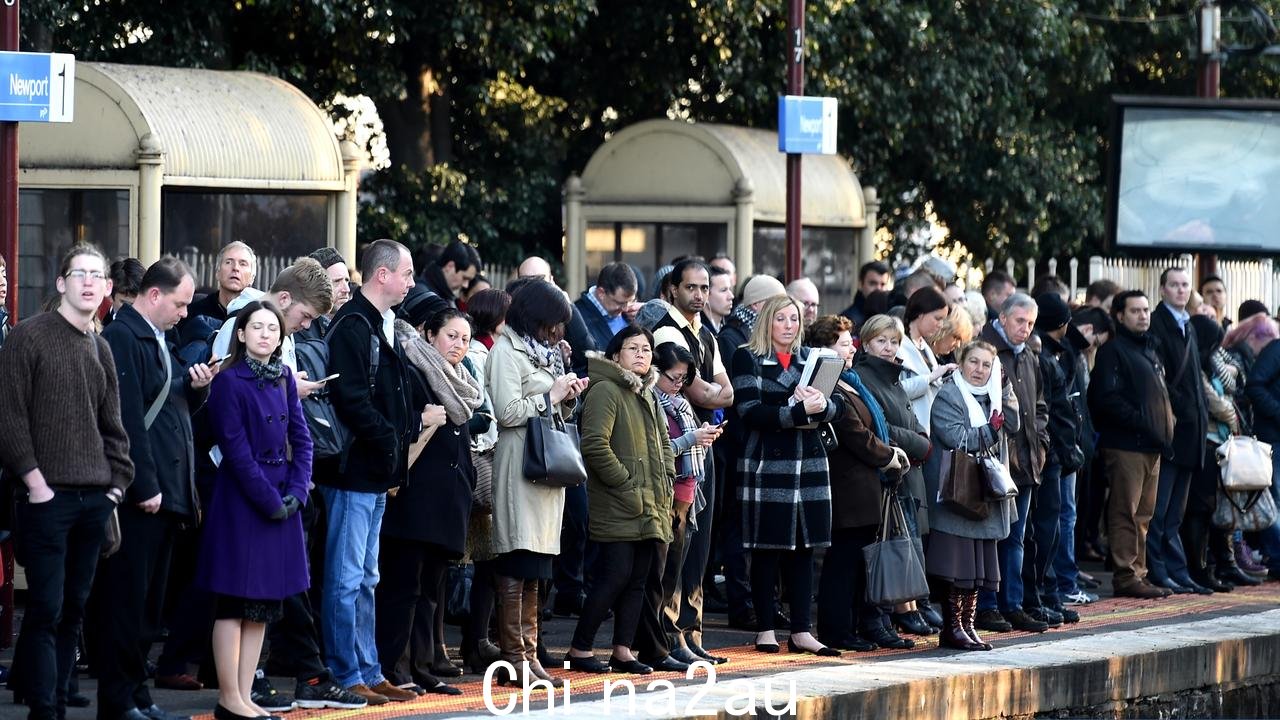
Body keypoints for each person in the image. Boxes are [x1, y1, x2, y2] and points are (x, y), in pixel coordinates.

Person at [0, 244, 134, 720]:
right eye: (80, 273)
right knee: (44, 609)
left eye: (98, 275)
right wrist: (36, 483)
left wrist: (115, 488)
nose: (89, 282)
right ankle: (43, 710)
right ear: (61, 283)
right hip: (44, 497)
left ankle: (57, 701)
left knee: (74, 611)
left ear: (107, 287)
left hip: (94, 498)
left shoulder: (100, 346)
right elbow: (11, 419)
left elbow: (113, 428)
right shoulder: (27, 337)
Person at [90, 257, 216, 720]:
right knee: (127, 603)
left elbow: (166, 407)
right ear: (155, 295)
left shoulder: (155, 337)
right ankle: (119, 699)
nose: (186, 313)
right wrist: (144, 483)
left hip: (165, 492)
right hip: (146, 494)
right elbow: (125, 419)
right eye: (181, 304)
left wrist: (196, 388)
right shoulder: (125, 336)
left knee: (146, 607)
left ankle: (136, 695)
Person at [198, 301, 313, 720]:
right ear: (241, 334)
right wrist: (270, 500)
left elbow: (302, 439)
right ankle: (229, 697)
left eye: (272, 329)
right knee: (233, 602)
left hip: (283, 498)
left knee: (263, 603)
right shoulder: (228, 381)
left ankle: (245, 697)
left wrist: (298, 491)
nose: (266, 334)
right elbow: (236, 450)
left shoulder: (284, 376)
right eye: (257, 327)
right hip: (242, 502)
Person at [316, 239, 419, 705]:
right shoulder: (353, 325)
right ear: (383, 275)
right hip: (354, 470)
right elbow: (351, 399)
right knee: (345, 576)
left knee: (366, 577)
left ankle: (369, 669)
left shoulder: (377, 322)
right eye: (407, 273)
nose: (412, 282)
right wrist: (389, 440)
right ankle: (346, 672)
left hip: (374, 471)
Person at [565, 326, 686, 674]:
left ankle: (622, 650)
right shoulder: (606, 389)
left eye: (646, 349)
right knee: (613, 577)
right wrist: (628, 484)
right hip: (619, 501)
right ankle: (580, 647)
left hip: (651, 501)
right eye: (632, 348)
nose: (640, 355)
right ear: (616, 354)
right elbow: (594, 446)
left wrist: (665, 478)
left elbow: (663, 442)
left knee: (639, 579)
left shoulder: (646, 392)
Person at [488, 279, 588, 687]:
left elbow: (550, 405)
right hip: (519, 468)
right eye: (552, 323)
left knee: (537, 568)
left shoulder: (543, 352)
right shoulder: (506, 352)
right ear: (535, 317)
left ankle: (530, 657)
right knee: (517, 561)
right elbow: (506, 410)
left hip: (545, 471)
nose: (557, 332)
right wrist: (552, 393)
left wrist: (567, 395)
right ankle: (516, 659)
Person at [377, 308, 481, 696]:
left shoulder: (461, 381)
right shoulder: (414, 371)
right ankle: (394, 666)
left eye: (465, 339)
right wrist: (424, 422)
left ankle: (422, 666)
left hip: (449, 499)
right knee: (403, 587)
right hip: (415, 497)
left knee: (431, 592)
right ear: (430, 334)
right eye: (451, 336)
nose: (458, 345)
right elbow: (401, 428)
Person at [732, 294, 843, 657]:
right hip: (768, 464)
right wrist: (794, 411)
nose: (789, 325)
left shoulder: (812, 359)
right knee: (767, 549)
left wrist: (823, 406)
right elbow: (748, 410)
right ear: (767, 321)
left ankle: (801, 630)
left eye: (794, 319)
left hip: (808, 463)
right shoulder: (747, 356)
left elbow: (836, 404)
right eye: (781, 319)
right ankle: (765, 627)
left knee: (805, 549)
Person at [649, 259, 734, 663]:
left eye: (705, 288)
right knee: (678, 542)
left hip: (704, 442)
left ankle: (692, 631)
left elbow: (726, 392)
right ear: (672, 289)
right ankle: (671, 634)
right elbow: (699, 393)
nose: (699, 295)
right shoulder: (667, 328)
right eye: (692, 287)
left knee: (700, 543)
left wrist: (712, 394)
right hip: (679, 445)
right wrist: (711, 394)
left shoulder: (707, 332)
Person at [810, 315, 906, 651]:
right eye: (842, 342)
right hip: (846, 485)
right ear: (825, 350)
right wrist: (888, 455)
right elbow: (853, 432)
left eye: (850, 340)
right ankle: (837, 630)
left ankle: (853, 627)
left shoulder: (850, 380)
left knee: (855, 565)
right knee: (842, 564)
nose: (851, 346)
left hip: (863, 485)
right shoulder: (829, 383)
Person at [928, 340, 1021, 651]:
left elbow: (1016, 424)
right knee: (958, 566)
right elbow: (957, 438)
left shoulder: (993, 394)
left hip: (985, 494)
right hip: (959, 494)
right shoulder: (949, 394)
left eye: (986, 365)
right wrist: (991, 430)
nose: (979, 370)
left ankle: (967, 625)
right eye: (974, 362)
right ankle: (952, 627)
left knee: (979, 567)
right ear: (961, 361)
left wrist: (1005, 390)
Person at [851, 315, 934, 642]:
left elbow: (910, 418)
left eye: (894, 342)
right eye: (881, 341)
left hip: (905, 469)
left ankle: (896, 613)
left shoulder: (894, 377)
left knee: (904, 544)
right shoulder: (865, 375)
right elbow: (880, 424)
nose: (888, 348)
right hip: (885, 472)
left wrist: (921, 438)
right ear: (867, 343)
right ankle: (880, 616)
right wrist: (920, 444)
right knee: (885, 547)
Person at [1088, 290, 1175, 599]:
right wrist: (1144, 423)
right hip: (1126, 446)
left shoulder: (1150, 349)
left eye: (1146, 310)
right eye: (1135, 310)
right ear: (1120, 315)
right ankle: (1126, 575)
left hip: (1152, 446)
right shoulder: (1113, 351)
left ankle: (1139, 572)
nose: (1143, 315)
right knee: (1125, 512)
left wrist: (1166, 426)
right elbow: (1106, 399)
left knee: (1144, 515)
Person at [714, 273, 787, 630]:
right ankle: (743, 605)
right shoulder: (733, 339)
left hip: (750, 447)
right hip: (738, 447)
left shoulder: (746, 337)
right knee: (737, 531)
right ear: (759, 306)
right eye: (777, 309)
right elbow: (742, 400)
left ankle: (762, 604)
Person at [975, 293, 1051, 634]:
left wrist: (1042, 444)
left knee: (1017, 538)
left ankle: (1013, 603)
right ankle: (988, 605)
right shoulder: (986, 352)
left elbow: (1039, 407)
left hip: (1027, 461)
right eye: (1020, 321)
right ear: (1003, 317)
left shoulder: (1029, 356)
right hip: (996, 458)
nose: (1025, 328)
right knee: (994, 535)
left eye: (1031, 323)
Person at [647, 342, 723, 666]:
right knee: (664, 576)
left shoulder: (680, 402)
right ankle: (667, 638)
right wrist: (692, 439)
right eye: (673, 378)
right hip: (667, 494)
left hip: (687, 494)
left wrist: (703, 435)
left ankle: (681, 634)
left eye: (683, 379)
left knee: (679, 571)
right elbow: (660, 450)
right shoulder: (652, 401)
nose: (678, 385)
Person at [1146, 267, 1209, 594]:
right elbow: (1163, 381)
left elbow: (1196, 378)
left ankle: (1178, 571)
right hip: (1171, 430)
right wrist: (1183, 409)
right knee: (1160, 510)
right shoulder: (1158, 323)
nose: (1181, 290)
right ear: (1162, 289)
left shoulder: (1189, 324)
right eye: (1174, 285)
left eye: (1185, 285)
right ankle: (1159, 571)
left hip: (1192, 432)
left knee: (1175, 513)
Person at [460, 289, 510, 674]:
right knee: (475, 560)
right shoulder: (479, 353)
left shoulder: (492, 350)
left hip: (489, 457)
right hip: (480, 461)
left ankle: (478, 639)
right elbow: (484, 413)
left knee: (489, 560)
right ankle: (473, 639)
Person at [1028, 293, 1085, 624]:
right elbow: (1053, 410)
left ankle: (1047, 593)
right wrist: (1065, 449)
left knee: (1053, 526)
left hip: (1055, 452)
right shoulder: (1044, 357)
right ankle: (1043, 593)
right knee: (1046, 527)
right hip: (1049, 454)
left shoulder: (1053, 354)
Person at [1184, 315, 1240, 593]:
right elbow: (1218, 404)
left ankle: (1213, 566)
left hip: (1217, 442)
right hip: (1204, 441)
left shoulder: (1210, 364)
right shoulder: (1197, 367)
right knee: (1199, 509)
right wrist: (1232, 416)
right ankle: (1198, 568)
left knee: (1210, 510)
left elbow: (1229, 391)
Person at [568, 262, 638, 361]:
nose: (626, 308)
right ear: (601, 293)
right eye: (620, 303)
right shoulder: (577, 317)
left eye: (630, 301)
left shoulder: (632, 314)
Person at [182, 241, 257, 331]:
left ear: (252, 278)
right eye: (228, 262)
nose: (235, 268)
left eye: (243, 264)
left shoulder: (258, 316)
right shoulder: (194, 312)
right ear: (217, 272)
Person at [298, 247, 352, 340]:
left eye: (347, 281)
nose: (346, 289)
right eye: (337, 281)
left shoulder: (354, 326)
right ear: (315, 285)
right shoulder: (299, 327)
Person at [419, 240, 480, 306]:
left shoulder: (442, 295)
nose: (466, 285)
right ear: (450, 266)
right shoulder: (424, 296)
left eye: (469, 280)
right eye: (464, 278)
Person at [841, 262, 893, 327]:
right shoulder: (848, 320)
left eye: (883, 284)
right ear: (860, 284)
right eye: (873, 283)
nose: (878, 288)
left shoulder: (892, 315)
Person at [104, 257, 145, 328]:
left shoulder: (161, 327)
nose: (132, 309)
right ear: (110, 296)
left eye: (138, 303)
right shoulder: (99, 329)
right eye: (125, 303)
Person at [703, 265, 735, 334]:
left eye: (730, 289)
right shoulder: (698, 331)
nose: (731, 296)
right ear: (706, 294)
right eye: (724, 290)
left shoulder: (730, 326)